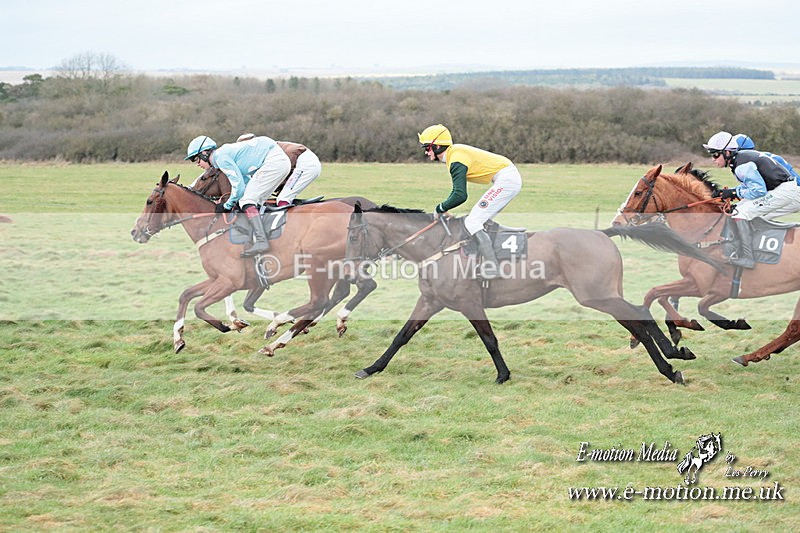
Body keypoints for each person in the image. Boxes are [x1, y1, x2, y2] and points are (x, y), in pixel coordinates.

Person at [418, 124, 522, 279]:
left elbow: (460, 195)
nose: (426, 152)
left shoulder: (456, 159)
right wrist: (444, 207)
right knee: (478, 219)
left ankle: (493, 268)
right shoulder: (454, 154)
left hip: (506, 180)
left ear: (438, 146)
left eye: (427, 148)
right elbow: (457, 193)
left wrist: (440, 208)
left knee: (472, 222)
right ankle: (484, 257)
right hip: (505, 178)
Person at [703, 131, 800, 268]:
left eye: (715, 154)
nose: (713, 159)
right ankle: (756, 250)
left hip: (787, 191)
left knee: (740, 213)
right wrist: (729, 193)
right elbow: (753, 188)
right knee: (739, 211)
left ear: (728, 153)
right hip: (786, 190)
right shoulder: (740, 160)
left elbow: (759, 190)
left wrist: (732, 192)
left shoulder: (741, 164)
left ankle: (748, 258)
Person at [185, 134, 291, 257]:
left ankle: (262, 240)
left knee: (247, 201)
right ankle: (261, 235)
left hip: (274, 162)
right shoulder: (222, 156)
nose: (197, 164)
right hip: (278, 162)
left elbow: (238, 187)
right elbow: (244, 181)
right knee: (252, 201)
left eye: (196, 159)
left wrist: (227, 205)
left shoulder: (220, 157)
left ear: (204, 153)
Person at [236, 133, 322, 207]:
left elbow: (282, 171)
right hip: (307, 163)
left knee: (283, 198)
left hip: (306, 165)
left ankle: (287, 223)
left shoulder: (270, 150)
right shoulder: (265, 148)